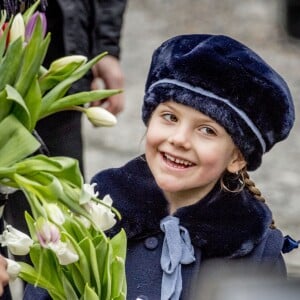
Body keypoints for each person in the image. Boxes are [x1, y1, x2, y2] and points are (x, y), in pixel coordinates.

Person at [24, 34, 298, 299]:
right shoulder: (90, 216)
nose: (179, 139)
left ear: (237, 158)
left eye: (207, 130)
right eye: (169, 116)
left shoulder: (257, 252)